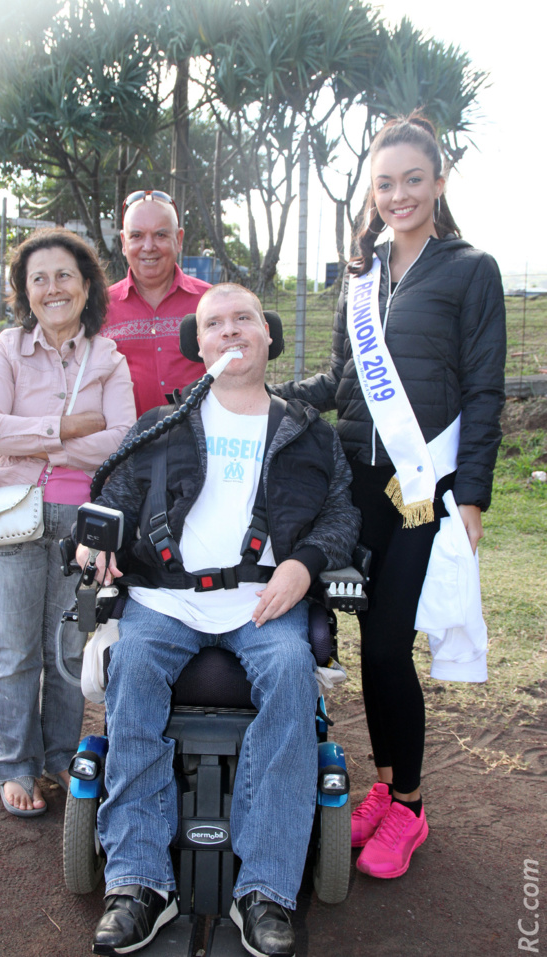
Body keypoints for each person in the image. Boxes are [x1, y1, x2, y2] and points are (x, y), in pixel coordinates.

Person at [76, 283, 361, 957]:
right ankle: (140, 882)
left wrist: (306, 563)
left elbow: (342, 512)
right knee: (135, 666)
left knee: (293, 673)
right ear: (196, 344)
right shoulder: (162, 423)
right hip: (165, 601)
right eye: (214, 324)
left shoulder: (308, 432)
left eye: (243, 320)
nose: (230, 332)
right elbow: (112, 492)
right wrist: (98, 540)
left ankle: (264, 890)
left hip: (263, 603)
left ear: (268, 335)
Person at [276, 115, 506, 879]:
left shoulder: (472, 269)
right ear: (369, 195)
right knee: (365, 643)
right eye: (385, 183)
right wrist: (280, 396)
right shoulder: (362, 274)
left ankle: (408, 803)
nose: (399, 194)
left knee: (385, 643)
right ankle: (383, 783)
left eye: (413, 179)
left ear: (438, 183)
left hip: (422, 488)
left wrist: (470, 493)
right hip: (359, 482)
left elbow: (482, 388)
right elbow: (346, 376)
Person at [0, 227, 136, 817]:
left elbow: (119, 442)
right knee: (15, 648)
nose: (52, 287)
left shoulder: (109, 358)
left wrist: (33, 441)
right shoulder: (7, 350)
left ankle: (60, 756)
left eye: (64, 275)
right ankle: (15, 765)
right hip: (10, 514)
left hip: (78, 520)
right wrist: (64, 429)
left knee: (67, 645)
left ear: (86, 284)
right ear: (25, 291)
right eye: (38, 278)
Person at [102, 189, 211, 417]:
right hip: (123, 446)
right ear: (123, 242)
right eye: (137, 236)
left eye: (160, 235)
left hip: (199, 443)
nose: (148, 246)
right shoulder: (99, 307)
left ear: (178, 239)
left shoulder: (210, 302)